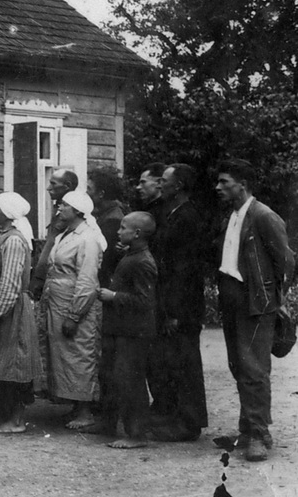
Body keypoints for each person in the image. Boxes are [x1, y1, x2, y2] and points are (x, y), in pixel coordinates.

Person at [213, 159, 294, 461]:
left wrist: (279, 298)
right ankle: (247, 428)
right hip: (232, 298)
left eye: (224, 182)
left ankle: (260, 434)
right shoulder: (231, 216)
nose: (218, 187)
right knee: (238, 365)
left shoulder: (263, 216)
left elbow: (286, 261)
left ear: (242, 185)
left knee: (254, 368)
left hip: (256, 302)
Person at [148, 163, 209, 442]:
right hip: (171, 300)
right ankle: (175, 418)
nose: (160, 184)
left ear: (179, 186)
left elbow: (185, 270)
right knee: (171, 362)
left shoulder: (188, 217)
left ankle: (189, 424)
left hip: (182, 304)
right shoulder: (171, 213)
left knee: (185, 364)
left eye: (164, 180)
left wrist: (174, 312)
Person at [90, 212, 159, 449]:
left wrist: (114, 296)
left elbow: (145, 301)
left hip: (133, 333)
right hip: (118, 329)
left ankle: (136, 434)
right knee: (109, 375)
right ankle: (107, 424)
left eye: (123, 228)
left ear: (137, 233)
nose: (118, 232)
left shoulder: (143, 262)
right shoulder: (132, 255)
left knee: (130, 381)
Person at [0, 192, 40, 434]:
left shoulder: (13, 241)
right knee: (1, 364)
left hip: (9, 312)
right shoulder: (4, 237)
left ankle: (15, 421)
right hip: (1, 308)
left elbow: (11, 284)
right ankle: (7, 416)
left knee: (13, 365)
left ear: (8, 213)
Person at [41, 190, 104, 430]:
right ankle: (75, 405)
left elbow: (87, 280)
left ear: (78, 211)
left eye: (64, 206)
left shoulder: (87, 239)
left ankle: (86, 411)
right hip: (58, 302)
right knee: (64, 354)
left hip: (75, 304)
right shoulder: (65, 235)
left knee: (80, 354)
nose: (59, 210)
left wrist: (75, 314)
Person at [29, 169, 78, 298]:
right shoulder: (58, 208)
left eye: (53, 184)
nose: (48, 188)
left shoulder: (74, 213)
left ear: (67, 186)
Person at [87, 167, 126, 287]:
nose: (86, 192)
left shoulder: (112, 220)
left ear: (101, 194)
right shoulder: (106, 213)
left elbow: (104, 260)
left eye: (89, 188)